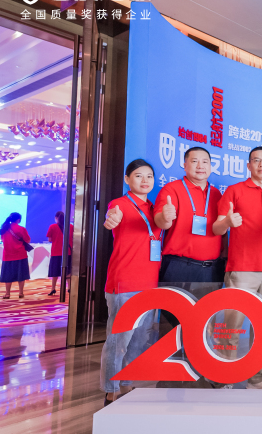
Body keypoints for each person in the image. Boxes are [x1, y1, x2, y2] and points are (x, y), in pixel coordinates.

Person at [213, 146, 262, 389]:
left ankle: (258, 376)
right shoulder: (234, 191)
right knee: (232, 326)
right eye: (256, 160)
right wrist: (227, 221)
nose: (261, 165)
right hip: (241, 268)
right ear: (248, 165)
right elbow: (216, 228)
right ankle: (225, 375)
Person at [100, 159, 162, 405]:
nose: (145, 180)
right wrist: (110, 219)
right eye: (138, 175)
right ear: (127, 179)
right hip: (124, 283)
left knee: (138, 342)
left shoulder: (155, 208)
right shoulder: (120, 204)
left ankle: (127, 384)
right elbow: (111, 217)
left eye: (149, 176)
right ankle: (111, 390)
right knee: (118, 342)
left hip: (150, 283)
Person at [154, 147, 225, 284]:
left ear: (210, 167)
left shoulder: (216, 194)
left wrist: (224, 256)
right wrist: (165, 217)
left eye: (205, 162)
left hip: (212, 268)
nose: (200, 166)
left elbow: (222, 228)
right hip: (179, 267)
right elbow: (161, 223)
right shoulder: (172, 189)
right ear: (185, 165)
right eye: (194, 161)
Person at [0, 212, 31, 299]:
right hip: (20, 254)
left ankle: (7, 293)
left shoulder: (4, 229)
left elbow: (2, 240)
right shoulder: (22, 229)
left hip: (7, 255)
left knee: (8, 275)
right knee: (21, 275)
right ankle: (21, 293)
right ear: (18, 220)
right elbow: (27, 240)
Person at [46, 211, 73, 296]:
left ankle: (53, 288)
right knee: (68, 271)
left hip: (56, 252)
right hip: (67, 252)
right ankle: (69, 288)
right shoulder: (71, 226)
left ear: (56, 218)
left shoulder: (52, 226)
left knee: (55, 271)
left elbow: (50, 239)